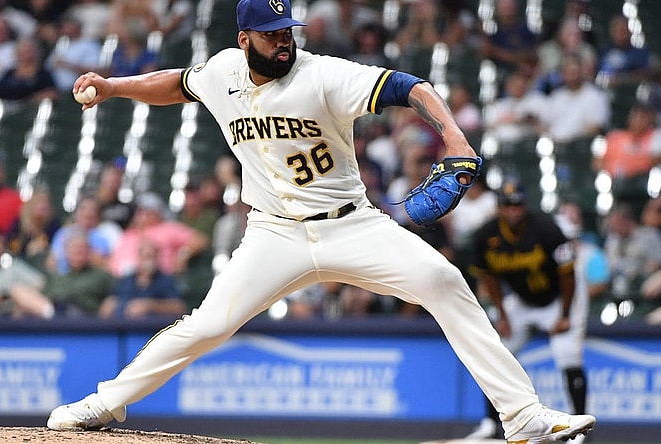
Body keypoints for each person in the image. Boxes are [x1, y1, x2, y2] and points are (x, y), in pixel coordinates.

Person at [47, 2, 596, 443]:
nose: (284, 41)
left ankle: (522, 415)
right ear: (245, 40)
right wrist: (116, 86)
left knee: (443, 281)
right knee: (208, 325)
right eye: (271, 34)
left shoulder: (322, 75)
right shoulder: (222, 72)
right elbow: (178, 83)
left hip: (350, 225)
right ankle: (102, 404)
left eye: (288, 30)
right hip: (273, 234)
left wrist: (453, 137)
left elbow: (413, 87)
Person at [465, 180, 590, 442]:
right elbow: (488, 278)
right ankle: (490, 423)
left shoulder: (546, 229)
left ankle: (579, 428)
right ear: (499, 208)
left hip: (561, 297)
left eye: (518, 205)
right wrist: (502, 314)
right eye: (508, 206)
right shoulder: (485, 235)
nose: (514, 210)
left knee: (567, 355)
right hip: (523, 301)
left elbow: (568, 275)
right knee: (495, 354)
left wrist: (565, 315)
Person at [99, 237, 187, 319]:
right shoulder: (126, 280)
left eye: (152, 256)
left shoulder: (166, 280)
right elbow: (110, 302)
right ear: (139, 257)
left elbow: (179, 307)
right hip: (123, 326)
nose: (149, 261)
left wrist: (150, 306)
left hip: (151, 329)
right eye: (146, 256)